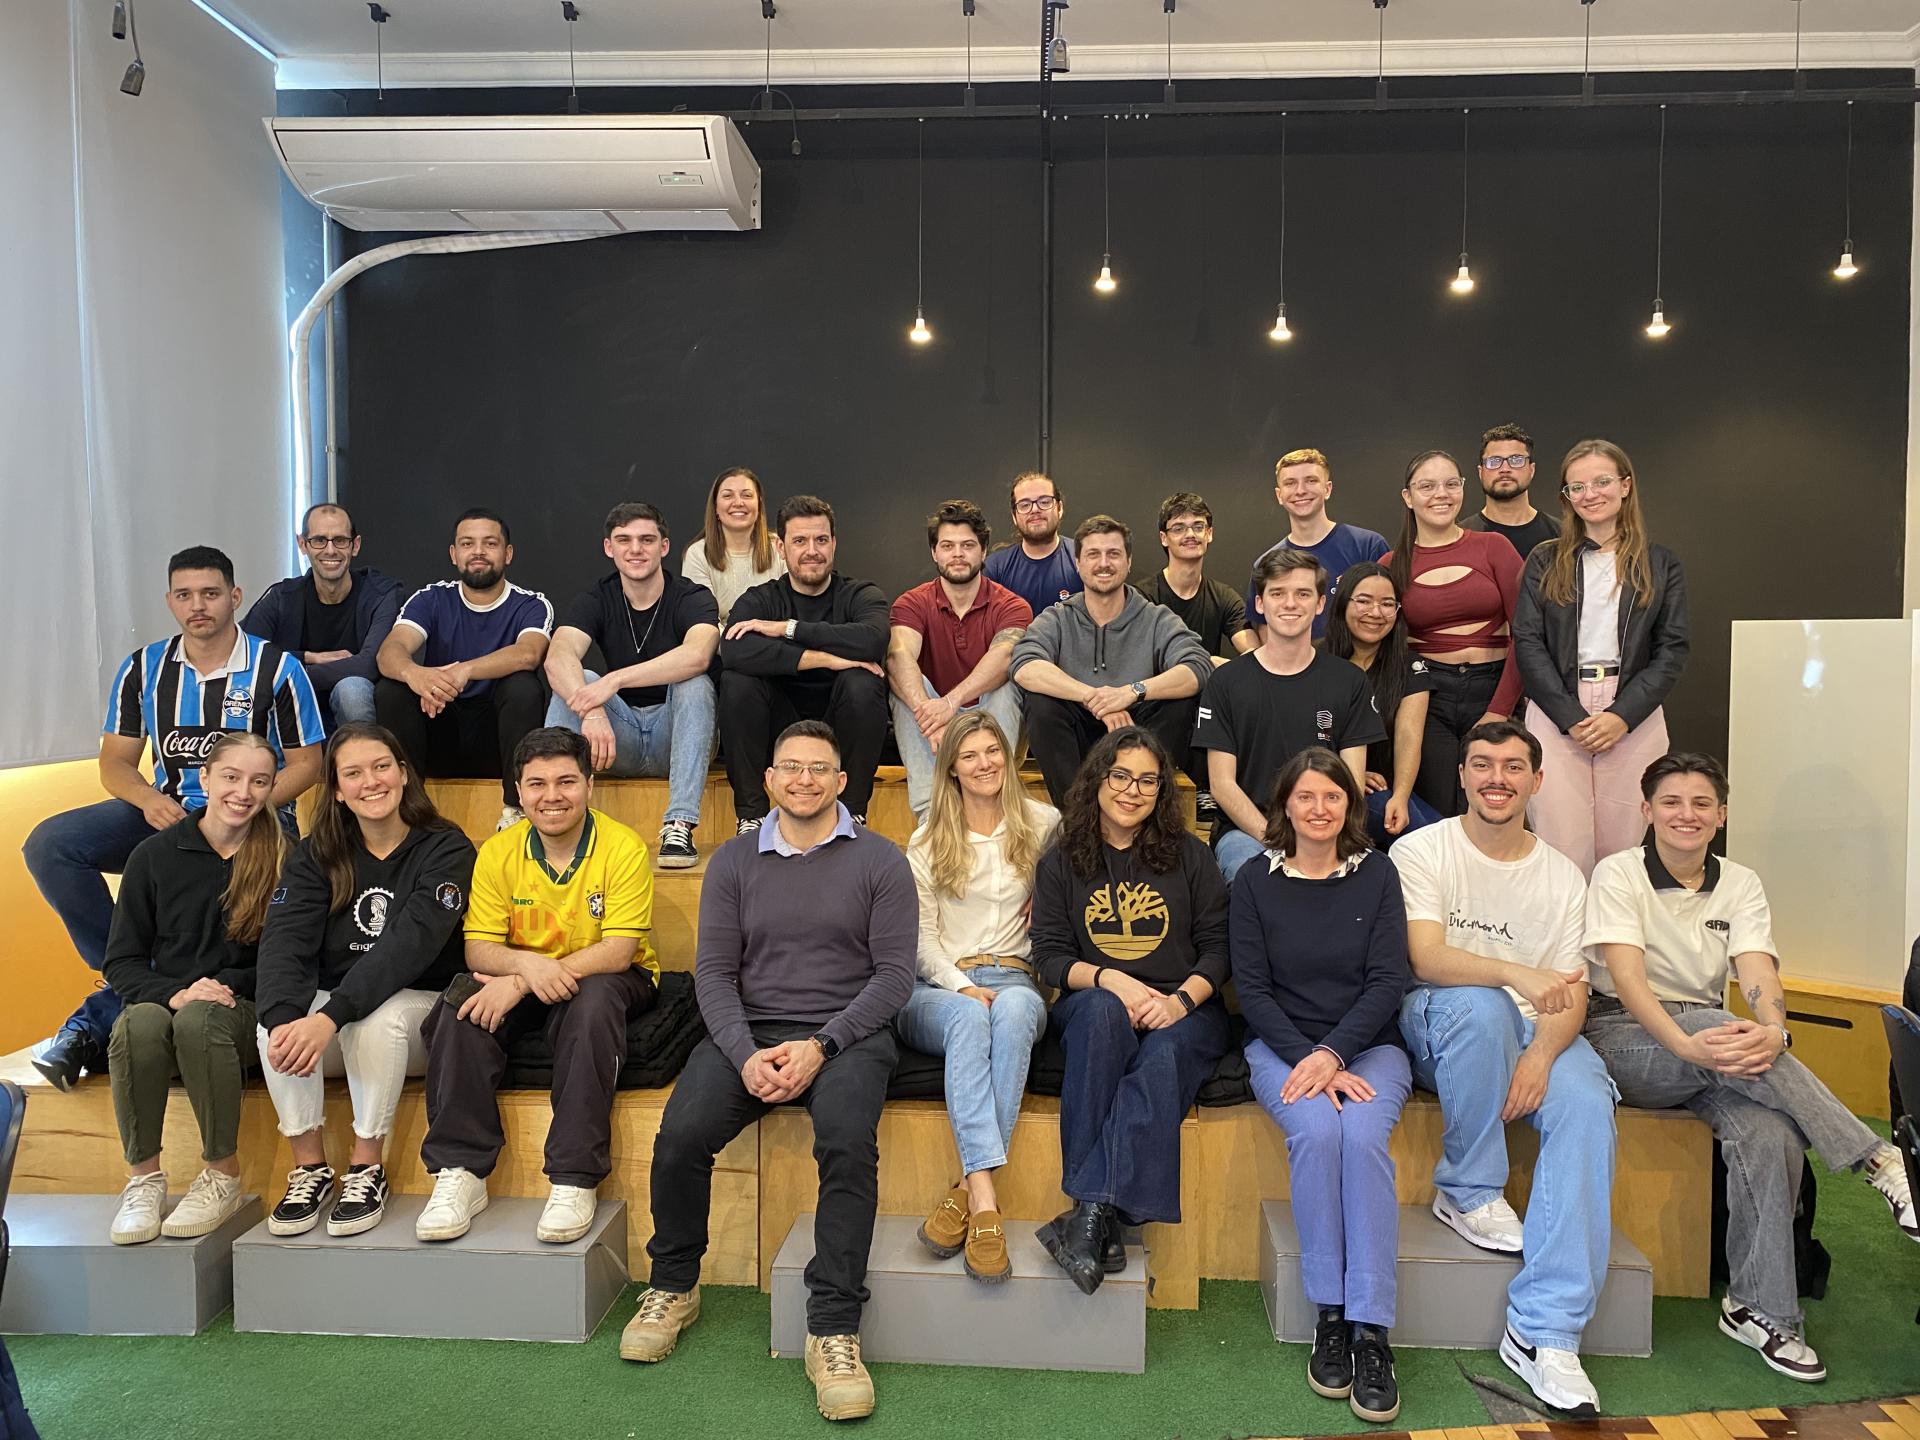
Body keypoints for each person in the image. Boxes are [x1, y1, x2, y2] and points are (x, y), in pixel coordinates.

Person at [1584, 752, 1915, 1382]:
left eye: (1701, 803)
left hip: (1715, 1044)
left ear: (1722, 815)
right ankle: (1878, 1161)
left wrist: (1772, 1031)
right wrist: (1687, 1045)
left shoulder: (1740, 882)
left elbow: (1757, 969)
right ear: (1647, 810)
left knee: (1771, 1133)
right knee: (1715, 1026)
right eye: (1672, 802)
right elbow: (1627, 979)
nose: (1686, 814)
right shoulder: (1617, 872)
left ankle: (1760, 1309)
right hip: (1625, 1035)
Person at [627, 721, 915, 1424]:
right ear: (769, 779)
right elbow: (713, 975)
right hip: (749, 1033)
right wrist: (744, 1054)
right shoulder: (733, 861)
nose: (804, 780)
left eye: (819, 769)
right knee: (681, 1134)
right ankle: (674, 1285)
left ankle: (833, 1328)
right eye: (791, 767)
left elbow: (894, 978)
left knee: (847, 1141)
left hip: (848, 1035)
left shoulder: (882, 860)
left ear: (842, 781)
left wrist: (822, 1045)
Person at [23, 545, 324, 1091]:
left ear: (234, 597)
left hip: (255, 816)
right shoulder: (143, 668)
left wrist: (245, 804)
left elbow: (308, 763)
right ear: (169, 601)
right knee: (51, 844)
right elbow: (115, 763)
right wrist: (146, 800)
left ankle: (112, 1006)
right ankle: (127, 969)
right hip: (166, 814)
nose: (197, 606)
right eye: (184, 595)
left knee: (226, 878)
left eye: (210, 594)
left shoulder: (278, 667)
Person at [1392, 721, 1614, 1416]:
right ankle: (1468, 1188)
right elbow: (1427, 958)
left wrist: (1542, 1055)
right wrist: (1517, 975)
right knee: (1485, 1008)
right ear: (1461, 775)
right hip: (1442, 1019)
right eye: (1483, 764)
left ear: (1537, 780)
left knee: (1587, 1101)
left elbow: (1573, 991)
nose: (1497, 778)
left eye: (1514, 766)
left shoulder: (1563, 875)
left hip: (1536, 1028)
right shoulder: (1421, 849)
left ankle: (1546, 1333)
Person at [412, 727, 657, 1246]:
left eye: (566, 781)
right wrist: (527, 971)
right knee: (461, 1007)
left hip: (611, 975)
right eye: (537, 784)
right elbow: (478, 950)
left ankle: (574, 1177)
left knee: (592, 1007)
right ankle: (460, 1172)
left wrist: (522, 981)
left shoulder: (624, 846)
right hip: (525, 970)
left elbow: (618, 951)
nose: (552, 796)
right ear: (519, 792)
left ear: (589, 785)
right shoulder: (498, 851)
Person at [1231, 748, 1411, 1425]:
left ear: (1349, 805)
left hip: (1368, 1048)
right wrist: (1308, 1058)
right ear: (1285, 804)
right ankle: (1329, 1317)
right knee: (1315, 1132)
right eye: (1305, 796)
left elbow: (1388, 981)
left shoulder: (1378, 874)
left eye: (1332, 796)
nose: (1318, 808)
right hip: (1282, 1048)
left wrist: (1334, 1054)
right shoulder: (1255, 879)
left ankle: (1372, 1330)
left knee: (1360, 1138)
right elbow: (1251, 989)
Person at [253, 723, 477, 1238]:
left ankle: (366, 1166)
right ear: (336, 789)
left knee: (380, 1018)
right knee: (275, 1025)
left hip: (420, 1011)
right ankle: (310, 1169)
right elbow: (283, 943)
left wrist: (331, 1016)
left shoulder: (446, 848)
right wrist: (288, 1018)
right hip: (339, 1019)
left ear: (404, 774)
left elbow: (407, 948)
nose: (370, 782)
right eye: (352, 773)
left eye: (381, 767)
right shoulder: (316, 854)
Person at [1029, 726, 1231, 1295]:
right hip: (1095, 1002)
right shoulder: (1062, 860)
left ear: (1161, 790)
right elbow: (1049, 957)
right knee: (1099, 1015)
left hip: (1186, 1008)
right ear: (1098, 779)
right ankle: (1103, 1217)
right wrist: (1111, 979)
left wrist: (1179, 1001)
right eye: (1120, 776)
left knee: (1162, 1059)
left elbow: (1220, 949)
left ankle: (1089, 1216)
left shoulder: (1191, 856)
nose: (1132, 791)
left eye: (1147, 780)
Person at [103, 733, 288, 1246]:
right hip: (174, 1002)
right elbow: (121, 961)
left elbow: (290, 961)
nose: (243, 793)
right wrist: (176, 993)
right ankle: (143, 1179)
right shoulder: (153, 856)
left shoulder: (285, 857)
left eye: (259, 781)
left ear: (272, 788)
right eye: (231, 777)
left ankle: (222, 1174)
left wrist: (221, 987)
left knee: (200, 1019)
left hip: (243, 1008)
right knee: (138, 1021)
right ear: (204, 778)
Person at [898, 713, 1058, 1281]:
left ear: (1008, 759)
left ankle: (967, 1190)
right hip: (939, 987)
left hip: (1016, 979)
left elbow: (1082, 870)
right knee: (971, 1016)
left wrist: (1051, 890)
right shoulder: (927, 840)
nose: (984, 763)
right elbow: (920, 943)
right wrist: (963, 986)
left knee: (1013, 1009)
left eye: (993, 751)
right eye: (969, 755)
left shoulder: (1043, 824)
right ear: (951, 770)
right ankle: (985, 1198)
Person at [1514, 440, 1689, 878]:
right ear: (1566, 496)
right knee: (1561, 849)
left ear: (1625, 485)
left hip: (1632, 712)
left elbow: (1672, 648)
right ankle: (1567, 928)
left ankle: (1614, 927)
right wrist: (1571, 718)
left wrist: (1621, 716)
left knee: (1621, 855)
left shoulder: (1660, 564)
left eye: (1601, 481)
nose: (1589, 494)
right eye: (1577, 487)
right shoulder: (1544, 560)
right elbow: (1528, 642)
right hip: (1557, 710)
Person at [546, 502, 721, 868]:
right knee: (580, 681)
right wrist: (592, 710)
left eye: (646, 540)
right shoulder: (596, 598)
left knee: (694, 682)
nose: (635, 549)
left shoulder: (691, 596)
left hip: (677, 738)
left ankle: (679, 826)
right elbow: (557, 657)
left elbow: (698, 655)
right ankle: (556, 822)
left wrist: (616, 679)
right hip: (615, 739)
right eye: (624, 540)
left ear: (664, 546)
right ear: (609, 547)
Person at [1195, 548, 1382, 882]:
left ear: (1320, 604)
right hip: (1249, 833)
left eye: (1303, 594)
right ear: (1260, 603)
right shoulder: (1226, 682)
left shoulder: (1349, 681)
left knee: (1373, 877)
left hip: (1326, 827)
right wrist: (1278, 843)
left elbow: (1352, 782)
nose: (1290, 604)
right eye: (1278, 593)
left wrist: (1317, 841)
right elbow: (1222, 784)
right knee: (1252, 875)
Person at [1009, 515, 1212, 807]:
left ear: (1128, 562)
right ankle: (1078, 816)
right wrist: (1094, 698)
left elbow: (1197, 666)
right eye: (1093, 554)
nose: (1103, 563)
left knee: (1179, 704)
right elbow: (1024, 665)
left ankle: (1142, 809)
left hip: (1136, 735)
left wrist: (1131, 692)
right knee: (1040, 704)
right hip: (1077, 737)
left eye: (1113, 554)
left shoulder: (1155, 617)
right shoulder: (1058, 617)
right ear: (1078, 564)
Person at [374, 508, 554, 831]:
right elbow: (389, 652)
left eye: (490, 543)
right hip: (440, 729)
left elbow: (528, 654)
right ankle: (407, 812)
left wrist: (464, 670)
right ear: (454, 554)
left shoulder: (531, 604)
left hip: (498, 740)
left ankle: (516, 811)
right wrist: (418, 676)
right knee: (392, 689)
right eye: (468, 544)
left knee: (523, 686)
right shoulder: (431, 598)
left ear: (508, 554)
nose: (478, 552)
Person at [719, 495, 890, 832]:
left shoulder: (860, 594)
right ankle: (751, 817)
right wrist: (824, 658)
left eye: (821, 540)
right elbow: (734, 650)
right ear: (781, 547)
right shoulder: (761, 599)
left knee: (863, 681)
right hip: (776, 727)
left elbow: (873, 639)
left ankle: (851, 815)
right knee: (738, 682)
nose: (812, 550)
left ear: (834, 544)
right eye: (800, 541)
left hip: (841, 728)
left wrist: (789, 629)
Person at [1382, 451, 1525, 817]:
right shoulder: (1390, 566)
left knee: (1496, 807)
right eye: (1427, 486)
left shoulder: (1494, 547)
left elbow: (1527, 636)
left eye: (1450, 484)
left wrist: (1499, 709)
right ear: (1407, 496)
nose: (1440, 494)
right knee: (1439, 814)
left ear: (1463, 488)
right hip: (1427, 699)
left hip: (1496, 687)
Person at [886, 500, 1031, 820]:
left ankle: (996, 809)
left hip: (987, 716)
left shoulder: (1012, 606)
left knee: (1009, 683)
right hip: (933, 725)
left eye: (967, 545)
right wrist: (930, 715)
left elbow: (1003, 656)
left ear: (983, 551)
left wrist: (951, 703)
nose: (957, 554)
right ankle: (931, 816)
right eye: (947, 546)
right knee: (906, 685)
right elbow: (899, 656)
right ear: (934, 552)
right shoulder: (912, 603)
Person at [241, 502, 401, 727]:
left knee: (352, 689)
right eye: (319, 540)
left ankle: (361, 751)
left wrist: (290, 674)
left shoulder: (382, 595)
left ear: (355, 545)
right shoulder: (282, 596)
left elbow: (369, 664)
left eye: (340, 540)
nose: (330, 550)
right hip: (292, 705)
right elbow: (246, 654)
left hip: (357, 705)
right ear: (302, 544)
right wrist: (308, 656)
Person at [1323, 563, 1441, 848]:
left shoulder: (1409, 665)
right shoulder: (1315, 659)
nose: (1376, 613)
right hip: (1328, 789)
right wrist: (1350, 774)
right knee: (1426, 847)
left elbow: (1409, 737)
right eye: (1364, 601)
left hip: (1389, 790)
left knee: (1444, 838)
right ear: (1343, 602)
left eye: (1387, 604)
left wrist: (1400, 796)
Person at [1245, 449, 1390, 640]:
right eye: (1290, 483)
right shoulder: (1266, 563)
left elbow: (1389, 613)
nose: (1300, 490)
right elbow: (1264, 628)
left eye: (1311, 481)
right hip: (1298, 660)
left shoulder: (1368, 546)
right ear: (1279, 495)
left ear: (1327, 489)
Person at [1150, 492, 1256, 665]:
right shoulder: (1143, 598)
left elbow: (1255, 655)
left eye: (1198, 527)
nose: (1190, 534)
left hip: (1209, 683)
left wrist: (1225, 668)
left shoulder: (1224, 597)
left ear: (1209, 534)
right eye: (1178, 528)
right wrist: (1207, 664)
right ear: (1164, 538)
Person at [682, 466, 787, 626]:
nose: (738, 503)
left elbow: (793, 611)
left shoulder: (780, 547)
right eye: (728, 495)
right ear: (715, 506)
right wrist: (736, 642)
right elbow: (703, 622)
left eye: (747, 495)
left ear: (759, 504)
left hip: (776, 639)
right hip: (720, 641)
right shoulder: (698, 554)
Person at [982, 472, 1081, 619]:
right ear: (1014, 516)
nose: (1035, 509)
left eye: (1045, 502)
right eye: (1025, 505)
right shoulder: (995, 568)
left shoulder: (1082, 558)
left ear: (1059, 508)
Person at [1462, 424, 1561, 558]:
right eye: (1494, 461)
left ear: (1531, 470)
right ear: (1480, 472)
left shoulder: (1560, 535)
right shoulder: (1460, 536)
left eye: (1516, 460)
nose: (1505, 469)